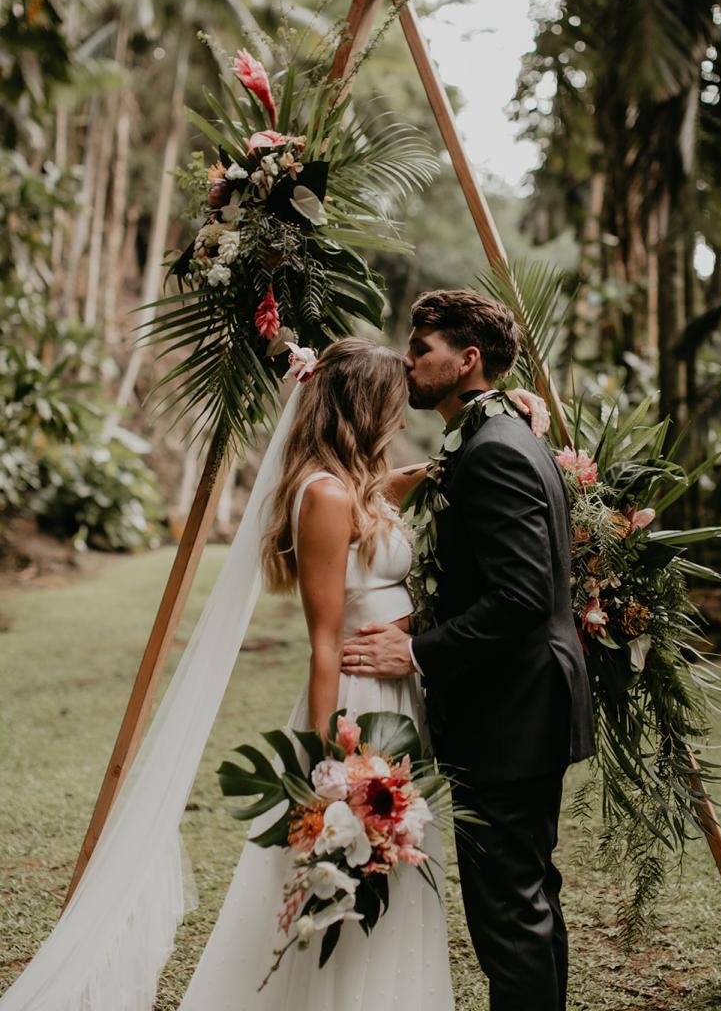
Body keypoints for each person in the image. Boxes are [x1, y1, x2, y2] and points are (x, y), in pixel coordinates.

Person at [178, 336, 548, 1011]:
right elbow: (324, 641)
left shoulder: (362, 485)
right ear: (363, 405)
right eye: (393, 401)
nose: (403, 415)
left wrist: (509, 413)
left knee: (401, 867)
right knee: (353, 870)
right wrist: (327, 770)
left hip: (398, 689)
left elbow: (430, 478)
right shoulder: (322, 495)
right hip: (355, 699)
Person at [342, 291, 596, 1011]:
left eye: (422, 349)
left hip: (512, 709)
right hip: (519, 703)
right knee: (529, 895)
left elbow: (520, 597)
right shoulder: (497, 438)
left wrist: (415, 651)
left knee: (509, 910)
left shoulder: (495, 451)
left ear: (467, 359)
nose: (409, 361)